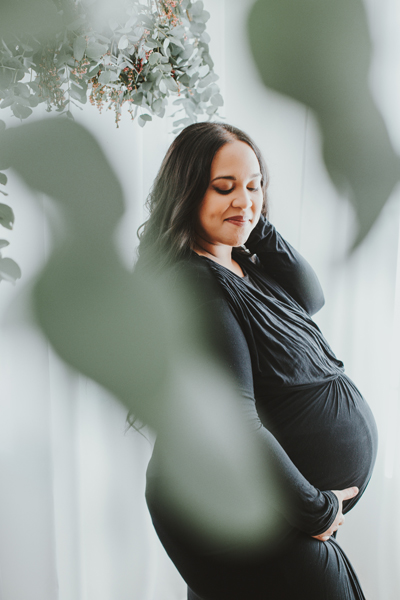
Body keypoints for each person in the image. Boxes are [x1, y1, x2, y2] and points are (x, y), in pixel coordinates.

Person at [137, 122, 378, 600]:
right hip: (256, 517)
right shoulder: (195, 285)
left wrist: (249, 215)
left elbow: (310, 296)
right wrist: (316, 509)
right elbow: (235, 423)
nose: (244, 199)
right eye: (223, 187)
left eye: (254, 185)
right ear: (186, 194)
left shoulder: (239, 262)